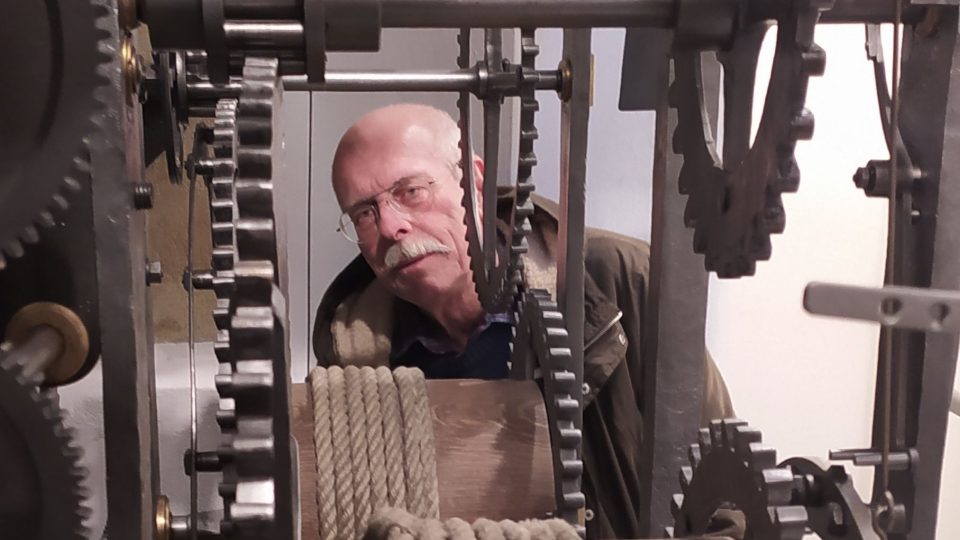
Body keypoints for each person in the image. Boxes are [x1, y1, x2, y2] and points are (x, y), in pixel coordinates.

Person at [313, 103, 736, 539]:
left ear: (474, 182)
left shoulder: (619, 284)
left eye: (410, 191)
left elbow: (722, 501)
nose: (390, 227)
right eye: (364, 213)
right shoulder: (352, 360)